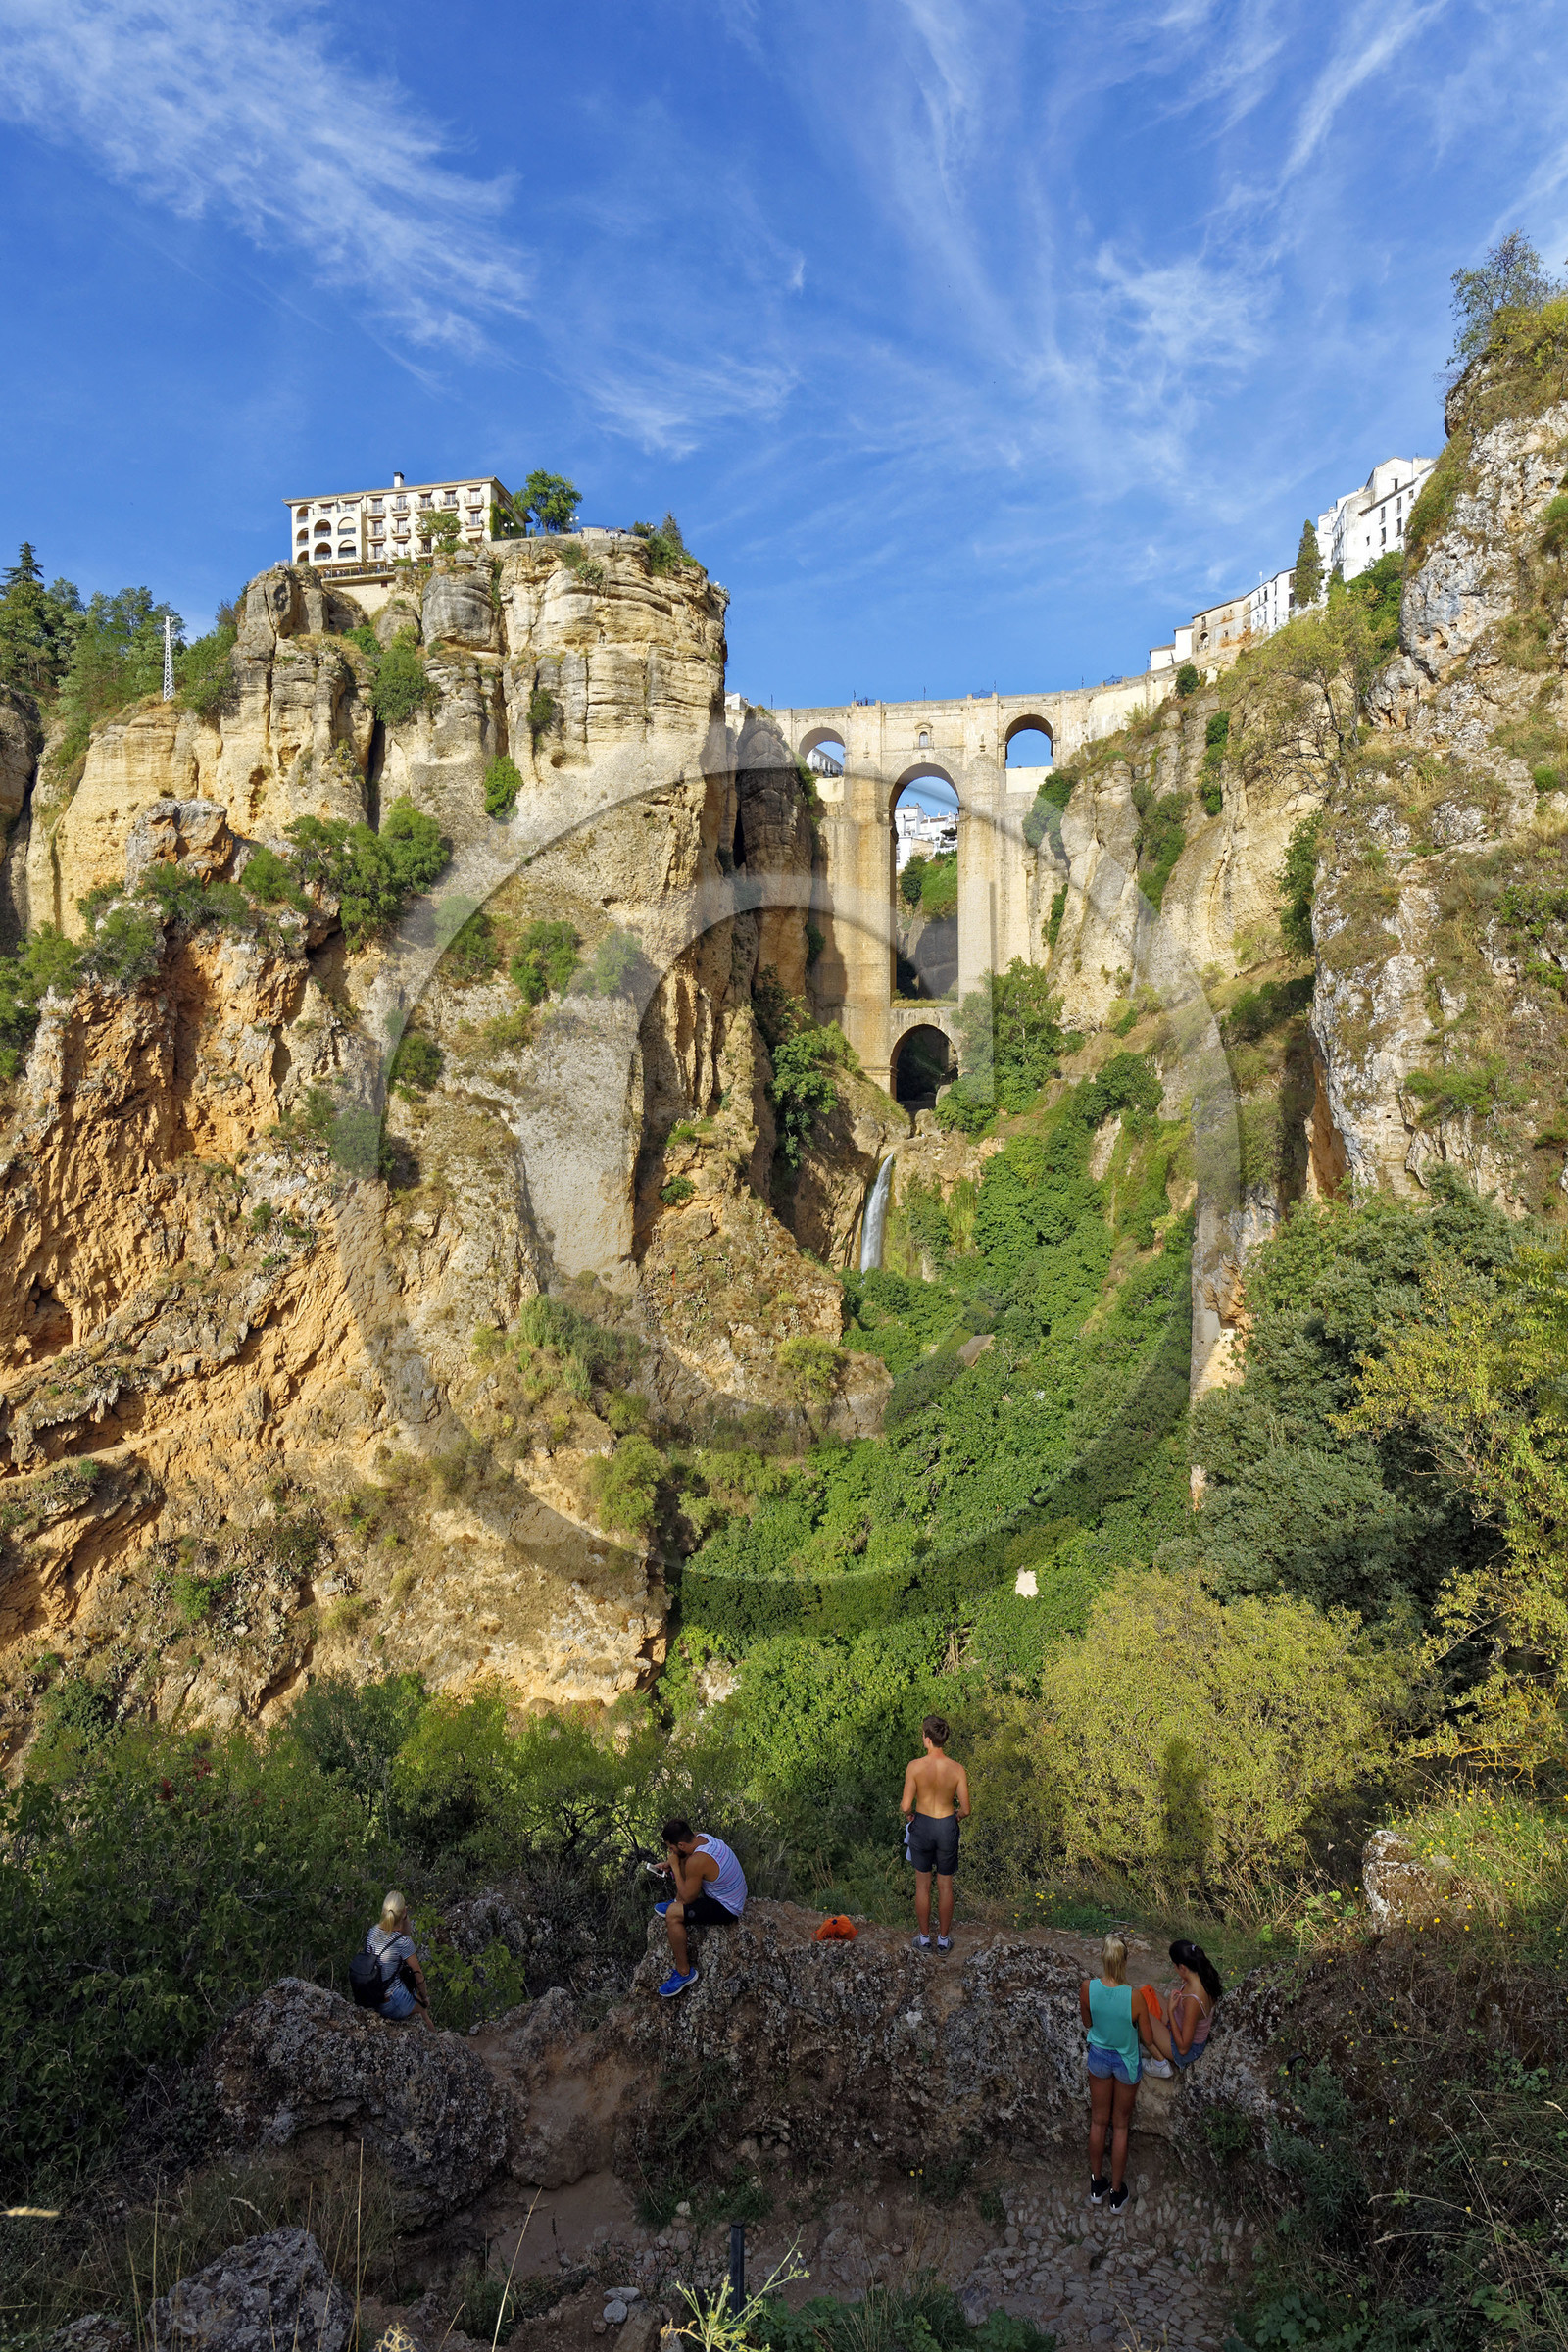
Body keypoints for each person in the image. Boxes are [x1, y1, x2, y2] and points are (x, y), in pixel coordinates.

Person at [1079, 1933, 1152, 2211]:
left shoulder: (1087, 1987)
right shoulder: (1134, 1997)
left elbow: (1088, 2023)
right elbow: (1146, 2035)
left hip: (1098, 2057)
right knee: (1120, 2125)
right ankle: (1117, 2193)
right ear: (1124, 1961)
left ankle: (1096, 2184)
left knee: (1098, 2123)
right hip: (1125, 2061)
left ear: (1102, 1957)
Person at [899, 1714, 971, 1952]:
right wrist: (956, 1817)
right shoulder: (958, 1769)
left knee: (922, 1886)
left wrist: (911, 1816)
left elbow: (905, 1806)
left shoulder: (915, 1767)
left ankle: (924, 1939)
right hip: (946, 1825)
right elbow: (967, 1809)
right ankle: (942, 1942)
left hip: (923, 1826)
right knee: (945, 1886)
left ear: (927, 1739)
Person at [654, 1817, 747, 1999]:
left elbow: (689, 1898)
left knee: (672, 1915)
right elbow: (685, 1857)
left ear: (680, 1844)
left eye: (671, 1848)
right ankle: (675, 1902)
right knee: (684, 1860)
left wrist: (674, 1867)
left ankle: (684, 1973)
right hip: (734, 1894)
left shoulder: (697, 1860)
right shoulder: (700, 1838)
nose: (670, 1852)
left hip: (728, 1907)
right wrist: (672, 1866)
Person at [1139, 1939, 1222, 2077]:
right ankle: (1152, 2040)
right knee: (1148, 1992)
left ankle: (1159, 2063)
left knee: (1138, 2012)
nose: (1174, 1969)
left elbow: (1183, 2048)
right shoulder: (1202, 1976)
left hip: (1183, 2050)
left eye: (1175, 1966)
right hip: (1180, 2027)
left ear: (1183, 1967)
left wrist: (1171, 2011)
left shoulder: (1193, 2000)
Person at [366, 1890, 431, 2028]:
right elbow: (418, 1976)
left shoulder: (372, 1931)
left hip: (372, 1997)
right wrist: (424, 1997)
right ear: (404, 1911)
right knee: (424, 2013)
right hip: (393, 2001)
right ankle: (440, 2046)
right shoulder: (403, 1943)